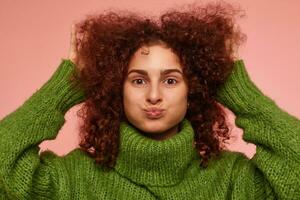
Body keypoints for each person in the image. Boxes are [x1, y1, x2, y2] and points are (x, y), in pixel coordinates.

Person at [0, 1, 299, 199]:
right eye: (138, 80)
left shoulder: (233, 180)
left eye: (170, 80)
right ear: (116, 87)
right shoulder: (73, 179)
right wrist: (65, 86)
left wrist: (238, 89)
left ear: (192, 89)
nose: (154, 96)